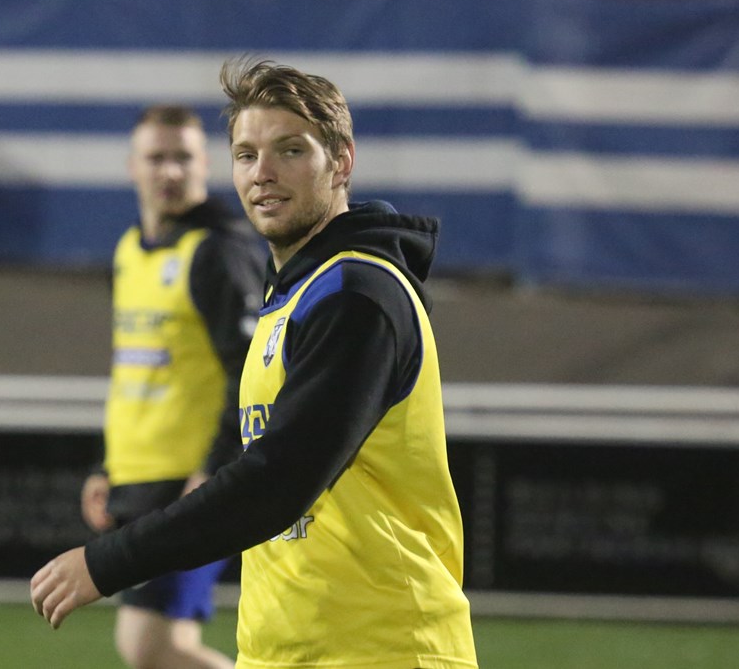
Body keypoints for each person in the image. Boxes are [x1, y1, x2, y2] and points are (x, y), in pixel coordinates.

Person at [34, 60, 477, 669]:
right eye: (246, 155)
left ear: (341, 162)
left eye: (290, 150)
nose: (262, 173)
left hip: (381, 649)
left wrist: (108, 562)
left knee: (150, 645)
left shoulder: (356, 295)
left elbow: (279, 480)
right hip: (288, 649)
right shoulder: (291, 292)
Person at [80, 104, 264, 669]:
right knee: (156, 647)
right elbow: (134, 371)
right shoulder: (129, 251)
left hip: (189, 482)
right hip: (138, 478)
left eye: (183, 158)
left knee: (151, 646)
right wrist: (107, 466)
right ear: (132, 166)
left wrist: (215, 468)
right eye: (156, 157)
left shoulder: (218, 250)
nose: (170, 171)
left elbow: (251, 371)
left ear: (205, 165)